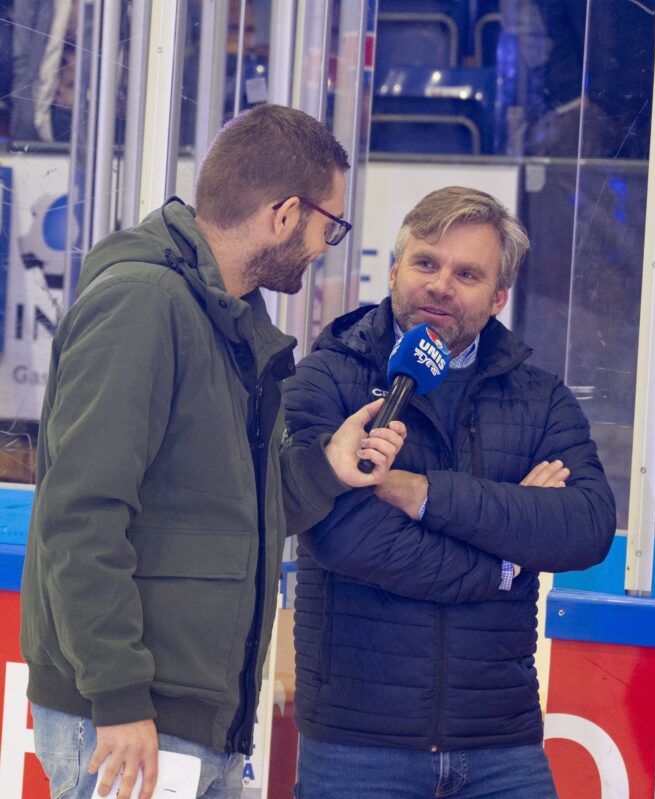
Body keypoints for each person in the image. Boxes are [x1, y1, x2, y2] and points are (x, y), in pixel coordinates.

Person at [19, 104, 407, 799]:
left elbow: (224, 515)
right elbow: (80, 517)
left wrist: (328, 466)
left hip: (195, 720)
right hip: (133, 717)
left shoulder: (227, 317)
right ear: (285, 214)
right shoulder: (144, 305)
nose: (328, 244)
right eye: (331, 225)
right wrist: (119, 695)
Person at [283, 186, 617, 798]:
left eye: (467, 274)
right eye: (425, 263)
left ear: (498, 298)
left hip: (501, 744)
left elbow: (586, 524)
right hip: (359, 747)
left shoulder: (539, 397)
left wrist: (425, 494)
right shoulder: (328, 377)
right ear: (393, 269)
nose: (440, 285)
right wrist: (508, 560)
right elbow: (345, 535)